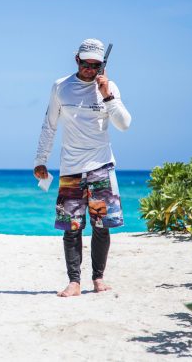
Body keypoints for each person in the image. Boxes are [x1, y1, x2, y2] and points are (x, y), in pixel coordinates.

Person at [33, 38, 131, 297]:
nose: (89, 69)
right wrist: (40, 160)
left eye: (95, 65)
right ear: (76, 59)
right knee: (72, 228)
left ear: (102, 65)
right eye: (85, 64)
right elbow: (49, 125)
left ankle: (98, 278)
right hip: (71, 168)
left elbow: (124, 124)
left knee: (101, 226)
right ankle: (74, 282)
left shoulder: (109, 88)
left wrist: (107, 94)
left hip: (101, 166)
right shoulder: (61, 87)